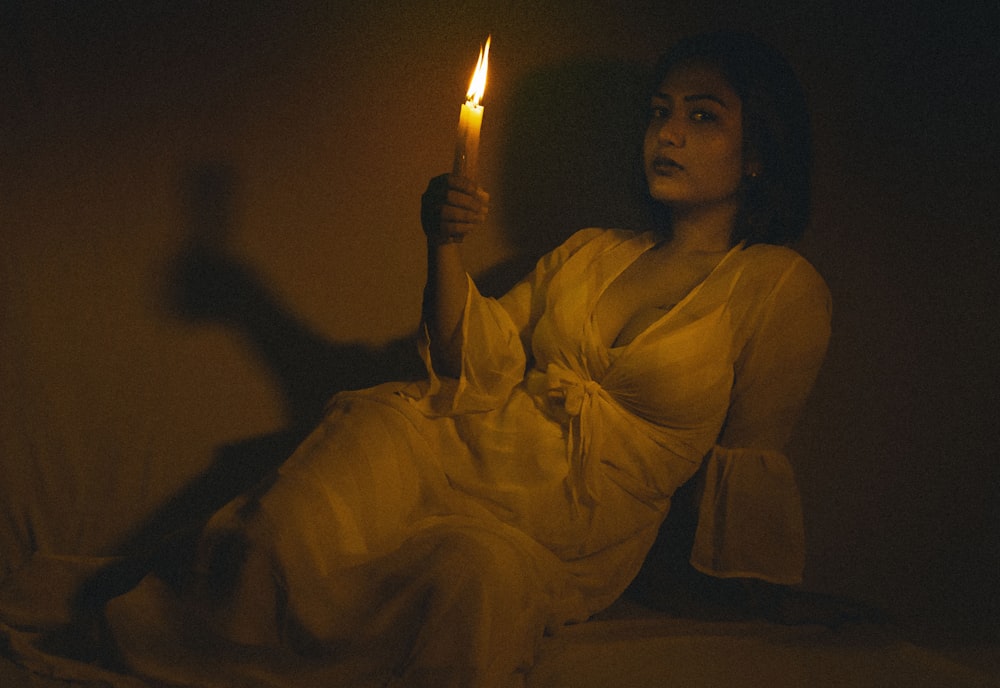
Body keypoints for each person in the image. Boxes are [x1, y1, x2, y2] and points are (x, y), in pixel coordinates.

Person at [102, 30, 831, 688]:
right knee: (284, 527)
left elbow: (749, 458)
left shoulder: (774, 289)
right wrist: (442, 244)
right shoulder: (591, 251)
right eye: (658, 111)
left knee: (469, 581)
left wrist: (755, 591)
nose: (667, 133)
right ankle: (172, 635)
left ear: (758, 152)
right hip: (449, 444)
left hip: (547, 533)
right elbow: (466, 364)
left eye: (702, 116)